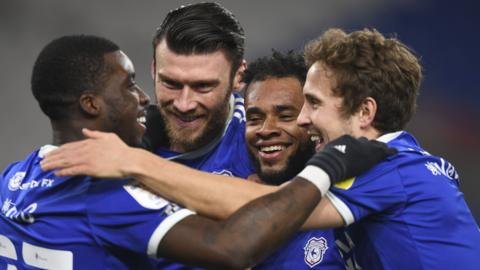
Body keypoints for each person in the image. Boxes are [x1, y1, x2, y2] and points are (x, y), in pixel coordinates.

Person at [42, 28, 480, 269]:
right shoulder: (397, 163)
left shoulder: (386, 165)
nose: (304, 120)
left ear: (365, 112)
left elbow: (275, 207)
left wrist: (132, 161)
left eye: (312, 104)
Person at [242, 50, 344, 269]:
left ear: (311, 119)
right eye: (254, 118)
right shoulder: (231, 208)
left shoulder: (350, 202)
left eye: (286, 116)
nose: (266, 130)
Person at [146, 2, 254, 179]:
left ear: (238, 77)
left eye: (203, 86)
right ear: (154, 70)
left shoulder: (264, 146)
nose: (184, 105)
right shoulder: (121, 139)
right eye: (171, 83)